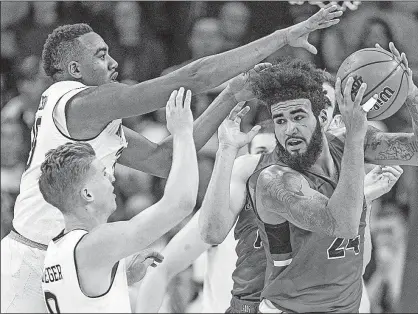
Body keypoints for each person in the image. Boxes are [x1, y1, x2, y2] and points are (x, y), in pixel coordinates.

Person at [1, 6, 344, 312]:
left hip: (69, 255)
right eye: (101, 55)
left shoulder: (89, 119)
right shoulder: (78, 103)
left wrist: (227, 97)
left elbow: (165, 160)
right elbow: (190, 79)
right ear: (75, 68)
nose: (113, 62)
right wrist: (281, 37)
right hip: (33, 259)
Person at [199, 42, 418, 313]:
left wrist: (408, 91)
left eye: (299, 116)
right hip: (276, 303)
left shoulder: (348, 147)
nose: (288, 128)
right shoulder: (271, 176)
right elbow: (341, 223)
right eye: (280, 120)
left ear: (324, 115)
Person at [40, 87, 197, 313]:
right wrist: (183, 132)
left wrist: (120, 280)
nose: (112, 176)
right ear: (87, 194)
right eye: (103, 174)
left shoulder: (54, 251)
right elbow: (181, 203)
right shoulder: (96, 243)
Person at [135, 120, 276, 313]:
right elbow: (161, 269)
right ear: (246, 158)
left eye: (278, 153)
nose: (268, 163)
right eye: (261, 152)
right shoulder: (224, 208)